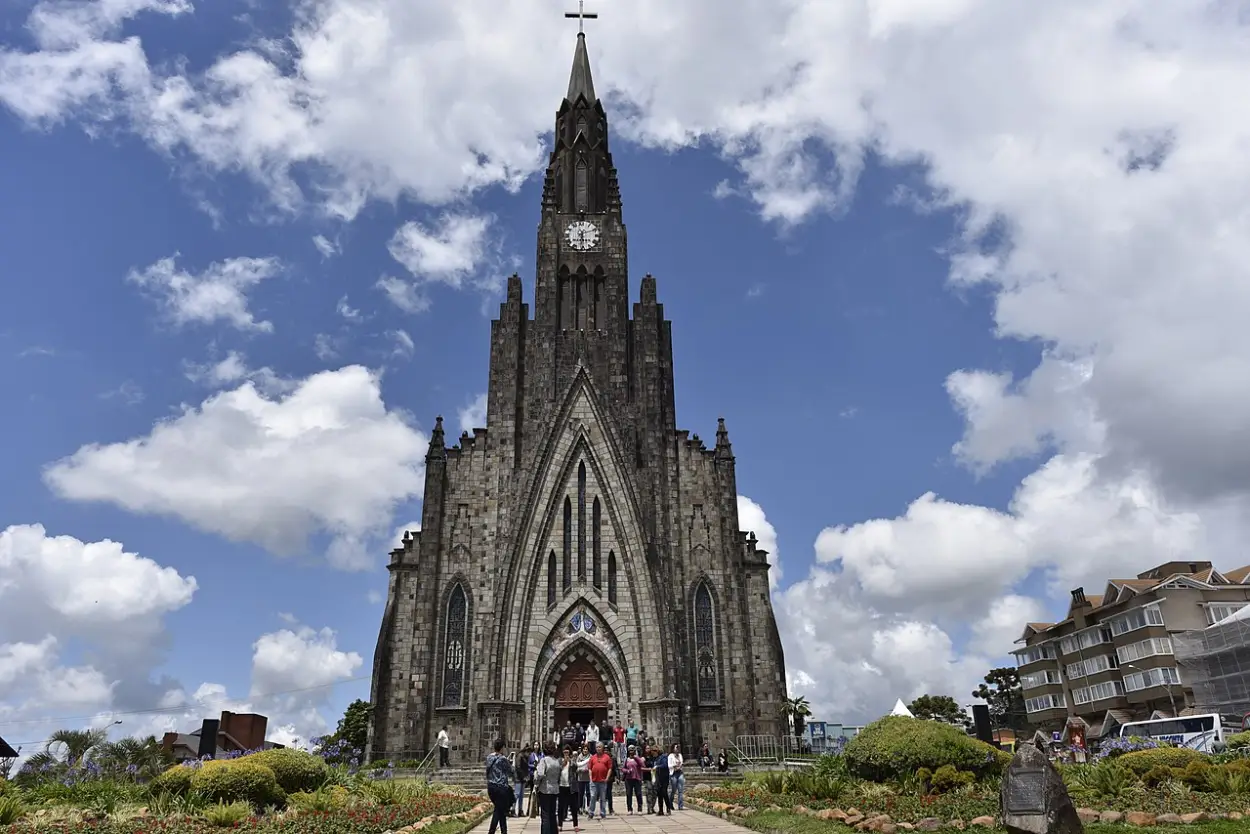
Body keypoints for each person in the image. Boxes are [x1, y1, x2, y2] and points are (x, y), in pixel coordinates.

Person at [486, 739, 515, 834]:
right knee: (498, 810)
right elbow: (510, 772)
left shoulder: (489, 757)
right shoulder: (503, 759)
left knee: (500, 809)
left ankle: (504, 831)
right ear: (502, 748)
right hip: (501, 787)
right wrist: (511, 763)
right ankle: (491, 831)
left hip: (491, 787)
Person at [535, 742, 562, 834]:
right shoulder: (556, 761)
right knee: (552, 814)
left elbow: (540, 774)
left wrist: (537, 782)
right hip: (555, 789)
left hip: (545, 789)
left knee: (545, 815)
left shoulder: (544, 760)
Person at [587, 741, 612, 819]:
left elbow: (610, 769)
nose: (598, 749)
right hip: (594, 781)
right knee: (593, 796)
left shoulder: (607, 757)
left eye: (599, 747)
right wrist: (590, 778)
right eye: (597, 747)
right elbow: (590, 769)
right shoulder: (592, 757)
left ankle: (603, 813)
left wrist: (607, 778)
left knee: (603, 798)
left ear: (602, 748)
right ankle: (591, 813)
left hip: (603, 781)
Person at [558, 748, 580, 832]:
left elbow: (576, 766)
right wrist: (563, 764)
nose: (566, 754)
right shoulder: (560, 761)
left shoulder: (572, 762)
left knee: (573, 807)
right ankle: (560, 825)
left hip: (571, 787)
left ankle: (575, 825)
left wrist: (570, 761)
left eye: (567, 753)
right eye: (564, 752)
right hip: (562, 786)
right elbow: (557, 770)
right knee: (561, 807)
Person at [622, 745, 644, 815]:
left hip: (637, 778)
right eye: (630, 750)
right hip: (628, 779)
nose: (631, 751)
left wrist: (636, 758)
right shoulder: (627, 759)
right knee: (629, 794)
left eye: (632, 750)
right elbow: (623, 768)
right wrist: (627, 771)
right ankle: (629, 809)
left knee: (638, 794)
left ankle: (640, 808)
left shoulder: (637, 758)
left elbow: (642, 765)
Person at [651, 745, 672, 816]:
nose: (653, 752)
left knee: (664, 792)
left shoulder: (664, 757)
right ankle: (661, 810)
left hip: (664, 778)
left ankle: (668, 808)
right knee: (659, 794)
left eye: (654, 751)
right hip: (658, 778)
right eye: (652, 751)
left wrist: (657, 767)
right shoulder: (656, 759)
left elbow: (665, 765)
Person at [512, 744, 531, 817]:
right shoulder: (520, 756)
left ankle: (520, 810)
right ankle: (512, 809)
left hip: (523, 778)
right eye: (528, 753)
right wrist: (523, 776)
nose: (529, 754)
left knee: (521, 795)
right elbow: (518, 767)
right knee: (517, 794)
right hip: (518, 778)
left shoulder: (526, 757)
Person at [576, 743, 593, 813]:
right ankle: (580, 807)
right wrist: (580, 770)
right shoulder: (579, 757)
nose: (585, 751)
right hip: (581, 778)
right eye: (584, 749)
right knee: (581, 793)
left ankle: (589, 807)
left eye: (586, 749)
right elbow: (577, 768)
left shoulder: (591, 757)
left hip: (588, 778)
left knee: (588, 793)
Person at [668, 743, 685, 811]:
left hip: (680, 773)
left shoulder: (680, 755)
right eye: (676, 747)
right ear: (673, 748)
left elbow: (681, 763)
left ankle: (680, 806)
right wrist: (675, 766)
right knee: (673, 790)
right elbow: (669, 765)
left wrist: (679, 766)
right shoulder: (670, 756)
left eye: (678, 747)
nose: (677, 749)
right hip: (673, 774)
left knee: (680, 790)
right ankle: (670, 803)